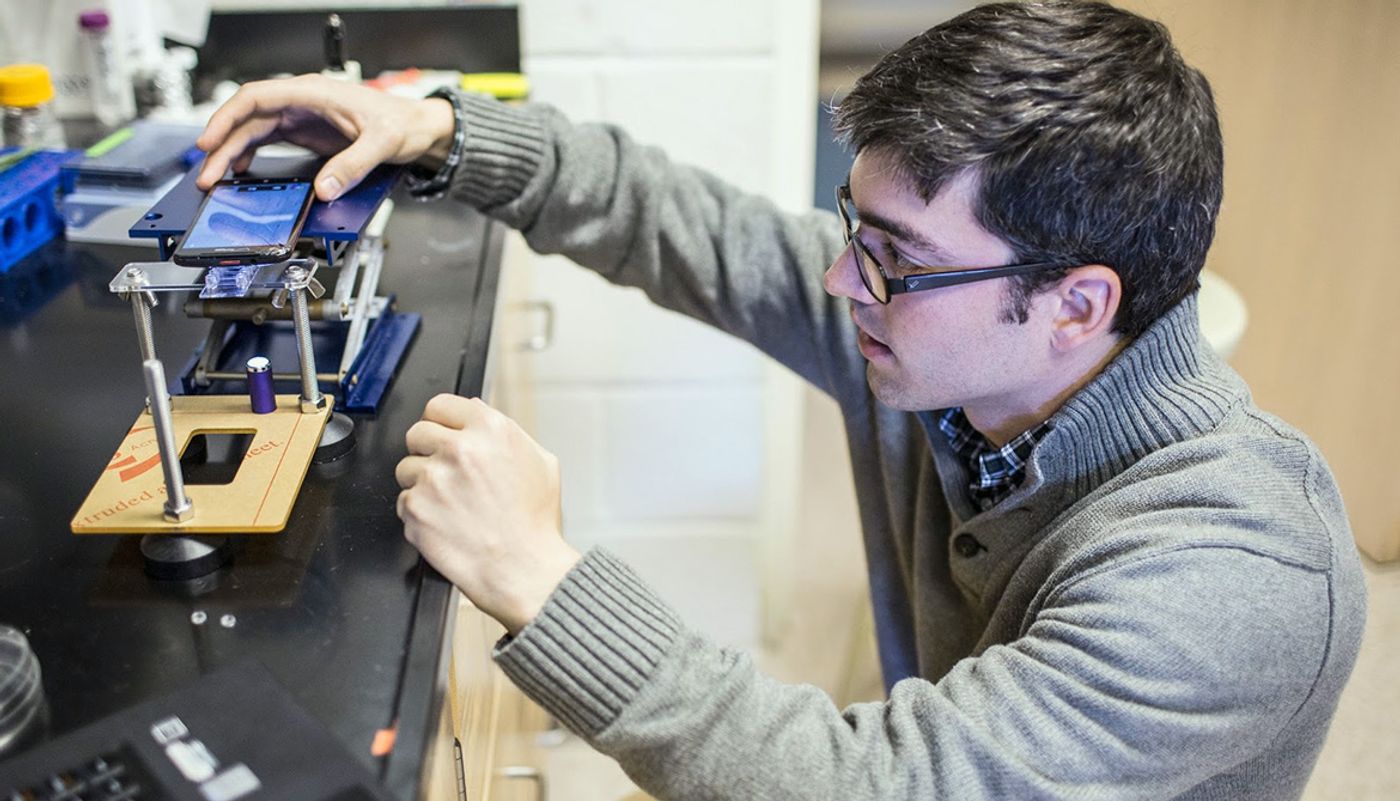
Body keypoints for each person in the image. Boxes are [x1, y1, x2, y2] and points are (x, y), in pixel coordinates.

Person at [196, 2, 1365, 799]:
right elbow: (691, 226)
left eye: (893, 257)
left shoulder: (1234, 573)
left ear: (1072, 304)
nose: (835, 278)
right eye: (855, 226)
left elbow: (878, 786)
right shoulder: (959, 356)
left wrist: (543, 582)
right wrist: (442, 133)